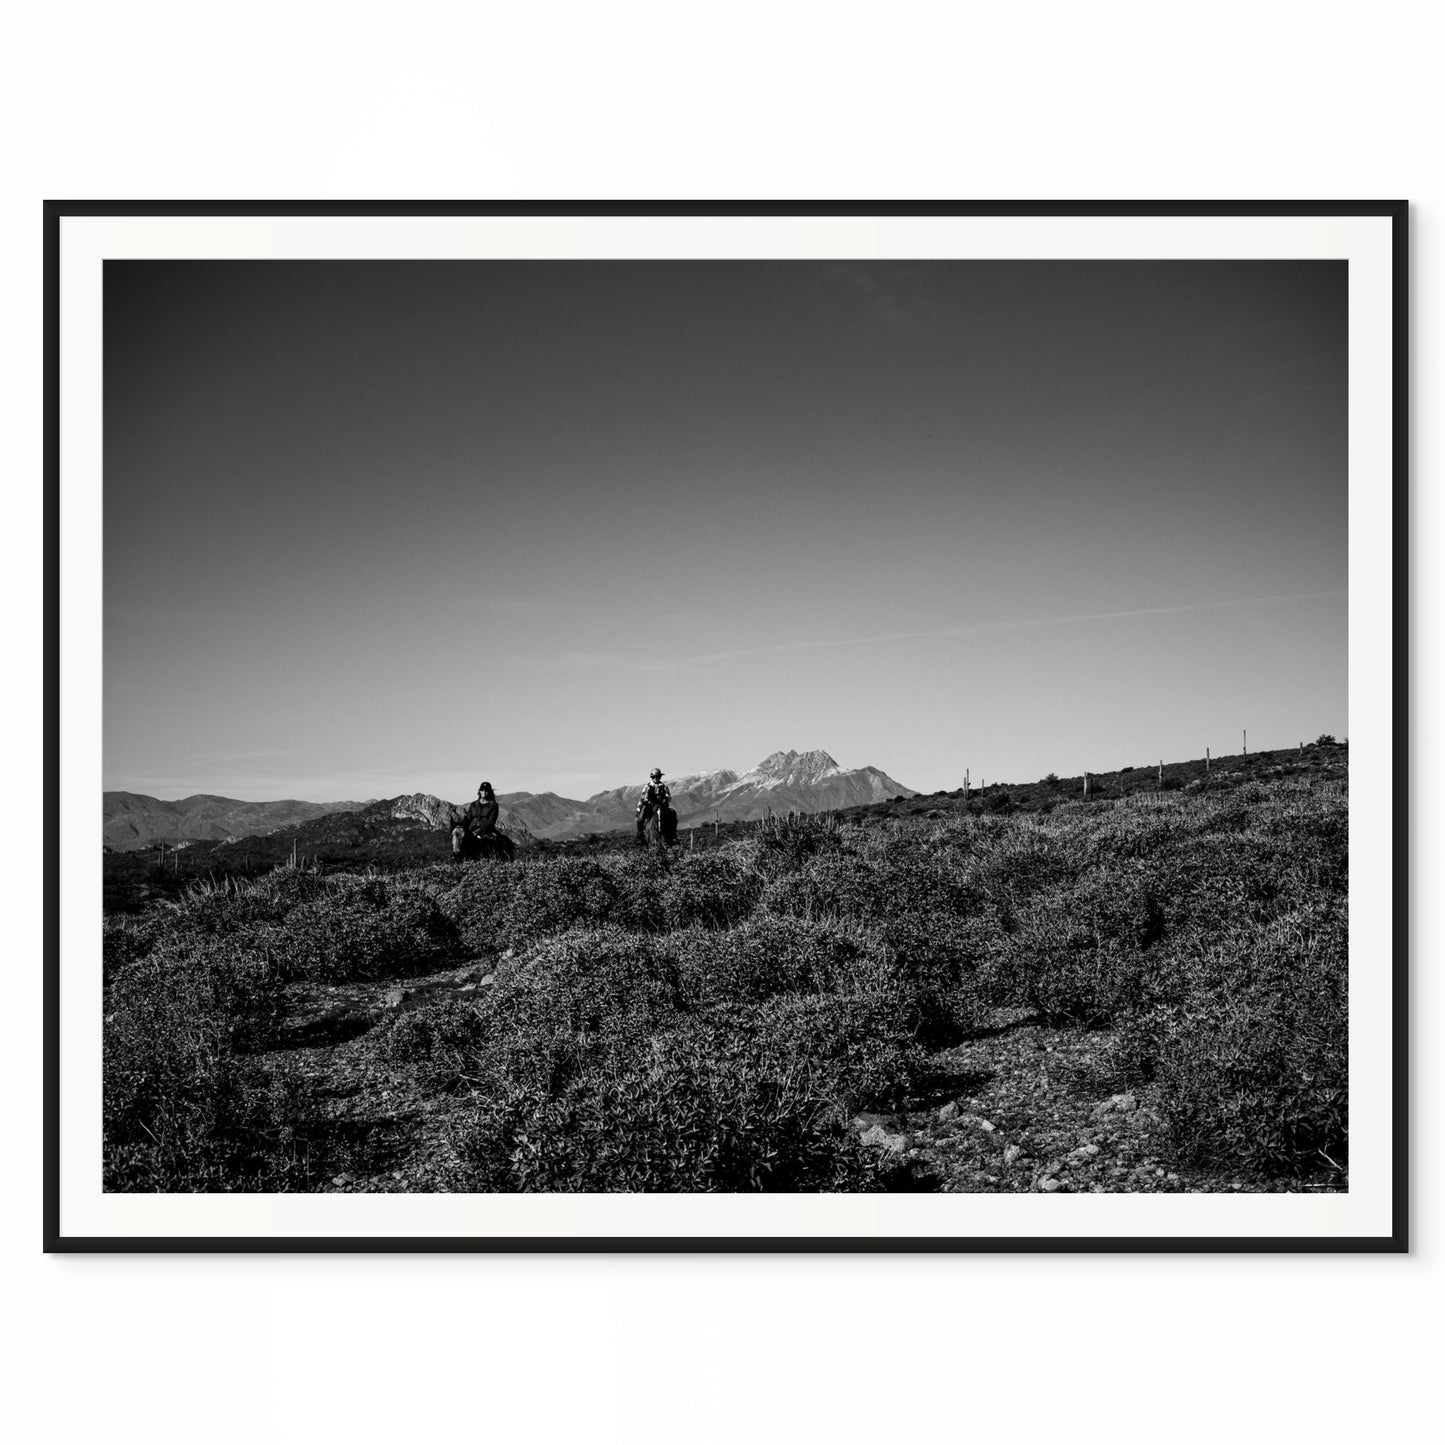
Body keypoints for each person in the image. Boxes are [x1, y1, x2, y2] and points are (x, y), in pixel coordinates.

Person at [453, 781, 499, 861]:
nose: (484, 792)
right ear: (479, 791)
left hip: (486, 831)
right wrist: (461, 826)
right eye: (482, 790)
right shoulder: (474, 805)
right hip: (472, 830)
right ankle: (456, 856)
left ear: (489, 792)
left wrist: (479, 830)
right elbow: (468, 818)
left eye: (486, 790)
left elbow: (491, 821)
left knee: (490, 844)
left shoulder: (493, 805)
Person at [636, 767, 671, 844]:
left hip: (661, 806)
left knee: (672, 815)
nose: (656, 778)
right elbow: (642, 798)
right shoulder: (647, 786)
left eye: (657, 776)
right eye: (654, 777)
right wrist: (638, 808)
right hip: (649, 807)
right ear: (652, 778)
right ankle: (640, 836)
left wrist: (665, 801)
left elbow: (668, 798)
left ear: (660, 777)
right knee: (640, 819)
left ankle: (672, 836)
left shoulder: (664, 787)